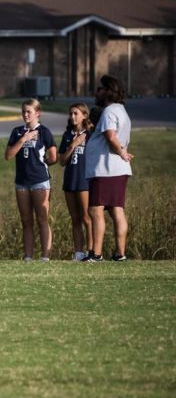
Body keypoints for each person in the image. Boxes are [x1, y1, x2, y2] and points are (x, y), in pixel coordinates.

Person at [84, 75, 133, 262]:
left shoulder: (109, 112)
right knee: (116, 210)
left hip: (105, 169)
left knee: (96, 210)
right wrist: (123, 153)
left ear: (108, 91)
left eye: (100, 88)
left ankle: (95, 254)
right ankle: (120, 253)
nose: (97, 92)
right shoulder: (122, 110)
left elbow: (111, 136)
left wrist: (120, 152)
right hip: (118, 169)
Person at [5, 98, 57, 261]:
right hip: (21, 181)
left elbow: (53, 156)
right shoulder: (17, 132)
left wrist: (41, 165)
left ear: (38, 113)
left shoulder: (44, 132)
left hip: (39, 180)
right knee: (26, 220)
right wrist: (23, 140)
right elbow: (8, 155)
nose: (25, 114)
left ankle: (45, 255)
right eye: (23, 111)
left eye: (29, 111)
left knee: (42, 218)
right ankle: (28, 256)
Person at [58, 103, 93, 262]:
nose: (72, 116)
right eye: (71, 113)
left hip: (84, 180)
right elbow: (62, 161)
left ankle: (91, 251)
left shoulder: (90, 134)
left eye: (76, 113)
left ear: (84, 115)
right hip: (70, 180)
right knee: (75, 218)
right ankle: (78, 252)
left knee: (87, 217)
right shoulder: (67, 135)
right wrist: (72, 145)